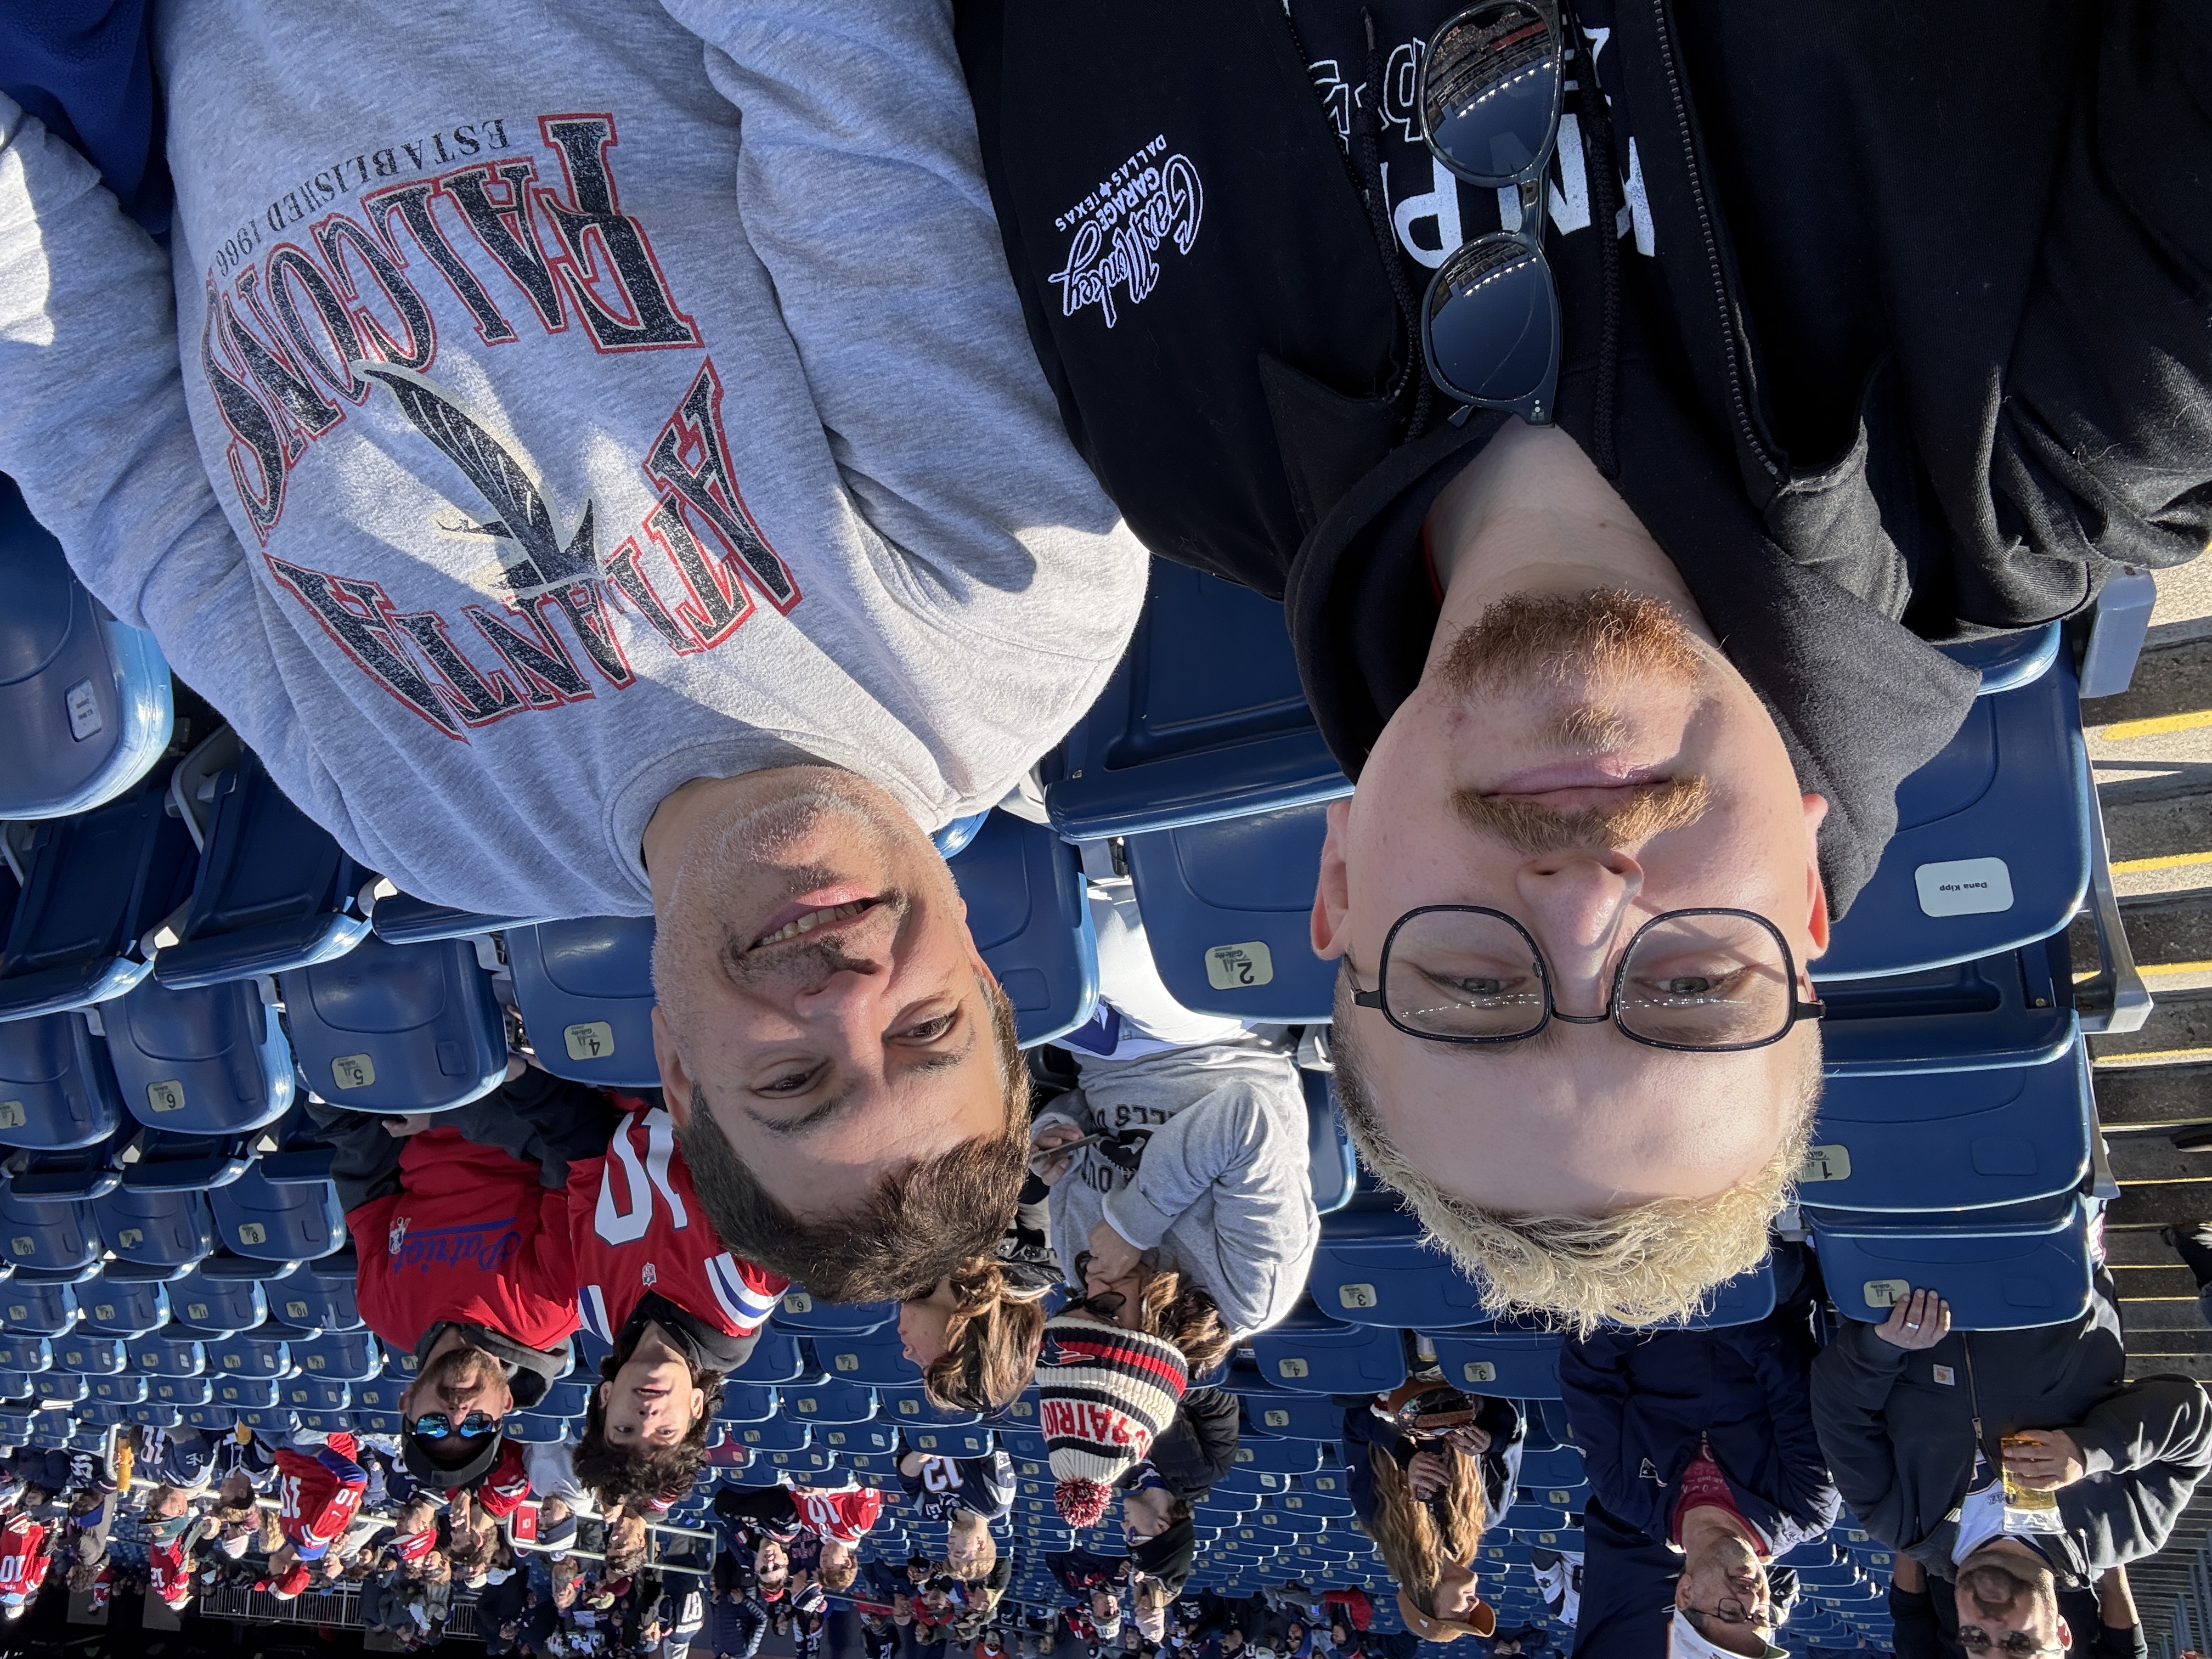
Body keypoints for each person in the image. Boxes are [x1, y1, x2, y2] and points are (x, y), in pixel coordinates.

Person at [952, 0, 2212, 1330]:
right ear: (1806, 899)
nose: (1583, 902)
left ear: (1337, 888)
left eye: (1476, 991)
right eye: (1691, 987)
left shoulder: (1164, 445)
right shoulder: (2082, 424)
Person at [0, 0, 1148, 1302]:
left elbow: (115, 450)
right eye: (926, 1028)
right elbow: (830, 65)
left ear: (678, 1075)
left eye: (792, 1081)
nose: (846, 1000)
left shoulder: (428, 827)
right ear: (987, 980)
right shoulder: (1013, 613)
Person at [1813, 1283, 2212, 1651]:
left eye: (1975, 1639)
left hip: (1903, 1282)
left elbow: (1838, 1406)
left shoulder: (1898, 1524)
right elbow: (2192, 1419)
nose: (1990, 1622)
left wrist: (1881, 1348)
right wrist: (2090, 1450)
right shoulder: (2127, 1530)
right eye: (2018, 1644)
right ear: (2062, 1632)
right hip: (2040, 1277)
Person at [332, 1069, 611, 1494]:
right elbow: (573, 1142)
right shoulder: (550, 1311)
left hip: (407, 1084)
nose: (458, 1414)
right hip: (516, 1074)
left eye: (433, 1426)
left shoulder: (383, 1311)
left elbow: (364, 1173)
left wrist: (336, 1104)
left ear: (406, 1402)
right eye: (477, 1427)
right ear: (506, 1405)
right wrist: (451, 1112)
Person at [1560, 1243, 1839, 1656]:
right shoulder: (1806, 1509)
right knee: (1763, 1262)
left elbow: (1586, 1374)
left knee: (1591, 1250)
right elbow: (1790, 1369)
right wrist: (1704, 1302)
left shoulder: (1627, 1497)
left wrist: (1649, 1304)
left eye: (1730, 1613)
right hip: (1758, 1303)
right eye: (1762, 1616)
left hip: (1642, 1304)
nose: (1751, 1599)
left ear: (1685, 1593)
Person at [565, 1094, 788, 1513]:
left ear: (605, 1398)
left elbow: (584, 1160)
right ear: (695, 1408)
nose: (647, 1416)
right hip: (706, 1081)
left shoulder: (594, 1308)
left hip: (607, 1084)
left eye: (625, 1429)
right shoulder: (743, 1296)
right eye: (665, 1433)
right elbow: (761, 1132)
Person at [1341, 1380, 1522, 1642]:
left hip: (1390, 1378)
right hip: (1464, 1375)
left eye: (1460, 1615)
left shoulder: (1379, 1517)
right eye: (1474, 1612)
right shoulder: (1488, 1514)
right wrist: (1490, 1440)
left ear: (1423, 1596)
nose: (1474, 1604)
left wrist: (1405, 1455)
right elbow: (1513, 1421)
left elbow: (1355, 1420)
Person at [710, 1481, 881, 1595]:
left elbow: (794, 1490)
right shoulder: (858, 1526)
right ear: (847, 1562)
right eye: (830, 1566)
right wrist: (826, 1489)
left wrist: (797, 1484)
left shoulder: (811, 1527)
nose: (823, 1561)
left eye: (823, 1567)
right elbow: (867, 1484)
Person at [266, 1432, 370, 1601]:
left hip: (286, 1450)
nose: (267, 1569)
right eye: (270, 1574)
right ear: (285, 1569)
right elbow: (357, 1480)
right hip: (321, 1442)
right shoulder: (315, 1536)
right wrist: (317, 1451)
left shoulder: (289, 1535)